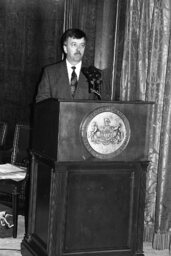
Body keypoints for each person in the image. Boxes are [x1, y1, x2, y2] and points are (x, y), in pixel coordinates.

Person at [36, 28, 101, 102]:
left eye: (82, 45)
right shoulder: (50, 73)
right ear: (65, 48)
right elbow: (41, 103)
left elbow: (100, 105)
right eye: (74, 45)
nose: (78, 49)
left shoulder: (94, 74)